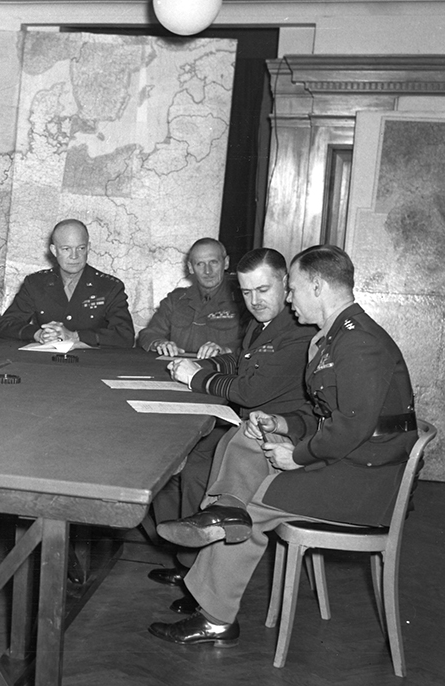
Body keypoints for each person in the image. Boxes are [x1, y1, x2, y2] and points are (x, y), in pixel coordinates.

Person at [149, 245, 417, 647]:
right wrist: (283, 424)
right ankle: (219, 516)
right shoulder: (335, 337)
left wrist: (298, 454)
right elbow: (325, 414)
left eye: (291, 289)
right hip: (352, 463)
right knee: (249, 439)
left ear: (317, 285)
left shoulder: (359, 342)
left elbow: (353, 426)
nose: (288, 299)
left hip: (368, 483)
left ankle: (217, 616)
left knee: (252, 506)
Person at [148, 248, 314, 613]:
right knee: (192, 466)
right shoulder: (261, 322)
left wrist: (198, 378)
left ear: (286, 284)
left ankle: (206, 586)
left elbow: (252, 390)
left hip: (276, 432)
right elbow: (241, 361)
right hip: (251, 425)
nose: (254, 301)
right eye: (246, 292)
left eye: (263, 290)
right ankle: (194, 570)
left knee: (206, 472)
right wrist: (204, 362)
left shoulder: (299, 329)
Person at [0, 219, 134, 348]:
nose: (74, 256)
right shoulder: (36, 284)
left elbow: (125, 336)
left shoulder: (109, 287)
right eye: (66, 249)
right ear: (54, 250)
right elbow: (6, 325)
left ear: (88, 248)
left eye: (80, 248)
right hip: (44, 364)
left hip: (93, 366)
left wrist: (76, 336)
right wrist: (38, 334)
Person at [137, 237, 246, 358]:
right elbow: (149, 334)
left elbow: (254, 343)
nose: (208, 271)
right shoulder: (175, 300)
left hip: (222, 373)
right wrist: (159, 343)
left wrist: (226, 350)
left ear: (226, 263)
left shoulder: (243, 300)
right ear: (190, 267)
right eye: (200, 264)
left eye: (213, 262)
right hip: (178, 371)